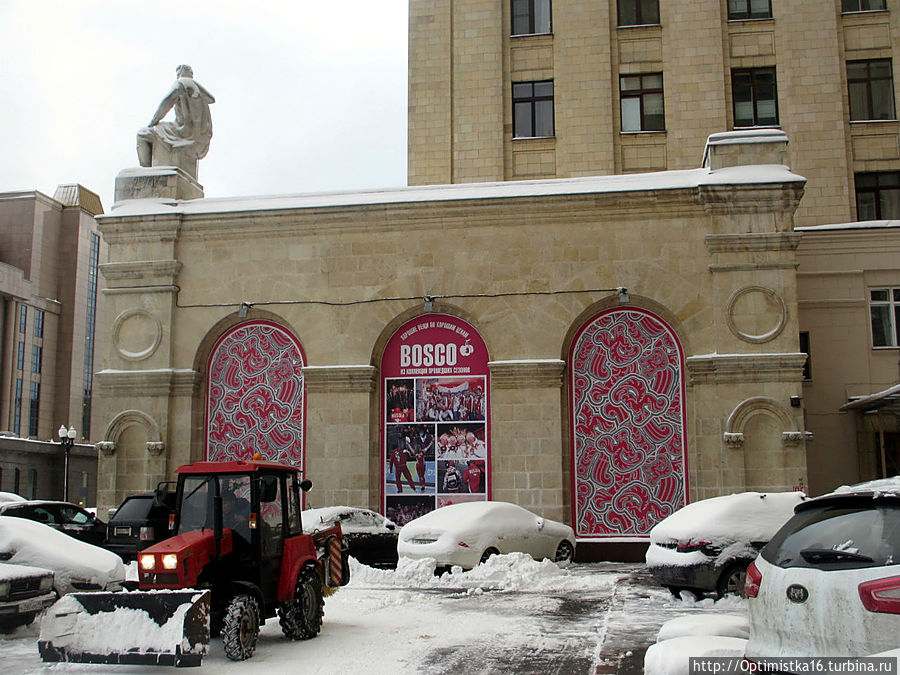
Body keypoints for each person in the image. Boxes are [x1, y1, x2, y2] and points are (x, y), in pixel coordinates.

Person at [137, 65, 215, 176]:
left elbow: (166, 103)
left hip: (183, 133)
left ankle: (146, 174)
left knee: (143, 134)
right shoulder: (200, 92)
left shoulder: (180, 83)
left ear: (180, 73)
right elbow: (212, 99)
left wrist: (153, 122)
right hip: (201, 140)